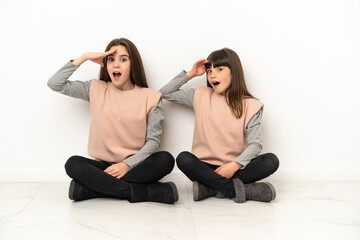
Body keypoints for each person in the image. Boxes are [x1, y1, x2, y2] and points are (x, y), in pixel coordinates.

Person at [48, 38, 178, 204]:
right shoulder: (94, 88)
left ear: (133, 64)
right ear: (106, 63)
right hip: (104, 168)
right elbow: (55, 83)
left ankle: (90, 190)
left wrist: (126, 165)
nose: (116, 65)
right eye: (111, 59)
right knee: (73, 164)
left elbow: (153, 142)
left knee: (165, 160)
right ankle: (148, 192)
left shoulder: (151, 97)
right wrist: (85, 57)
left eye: (123, 60)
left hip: (135, 166)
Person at [160, 48, 279, 203]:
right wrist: (191, 73)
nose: (212, 75)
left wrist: (234, 165)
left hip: (237, 168)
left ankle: (210, 188)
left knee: (271, 161)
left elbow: (255, 145)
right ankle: (242, 190)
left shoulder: (251, 105)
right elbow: (165, 93)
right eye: (209, 71)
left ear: (234, 72)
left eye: (219, 69)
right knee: (183, 158)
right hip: (206, 167)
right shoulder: (200, 95)